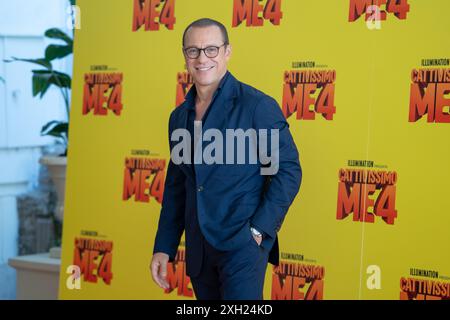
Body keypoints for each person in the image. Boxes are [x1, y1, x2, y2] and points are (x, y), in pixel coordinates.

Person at [150, 18, 302, 300]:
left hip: (242, 246)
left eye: (211, 49)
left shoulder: (257, 106)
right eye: (193, 50)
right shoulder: (179, 118)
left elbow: (287, 172)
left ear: (227, 52)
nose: (201, 58)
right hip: (199, 249)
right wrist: (164, 246)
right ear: (185, 56)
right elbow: (177, 187)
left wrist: (258, 231)